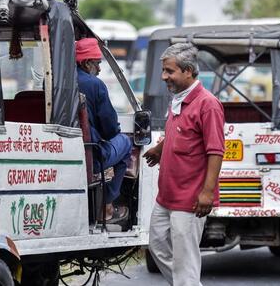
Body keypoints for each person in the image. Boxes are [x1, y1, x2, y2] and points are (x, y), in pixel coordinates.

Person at [143, 43, 225, 285]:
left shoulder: (207, 104)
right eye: (164, 71)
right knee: (157, 246)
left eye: (169, 71)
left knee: (185, 261)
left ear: (188, 71)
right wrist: (160, 148)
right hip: (167, 195)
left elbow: (216, 151)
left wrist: (207, 192)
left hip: (190, 199)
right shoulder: (178, 99)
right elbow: (180, 132)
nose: (164, 77)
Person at [75, 37, 132, 224]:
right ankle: (107, 205)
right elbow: (110, 129)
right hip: (90, 154)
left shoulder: (54, 81)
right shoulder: (95, 84)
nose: (99, 69)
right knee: (125, 143)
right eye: (97, 63)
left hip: (65, 151)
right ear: (85, 63)